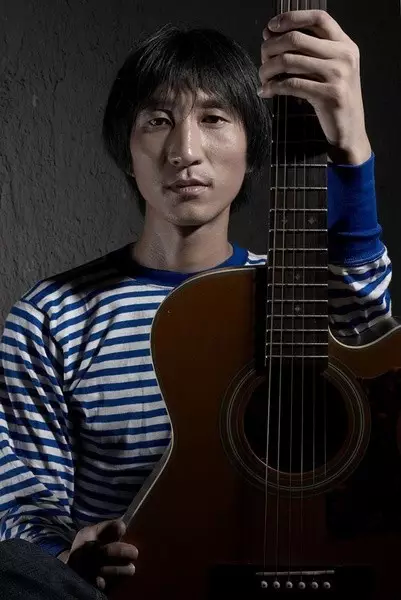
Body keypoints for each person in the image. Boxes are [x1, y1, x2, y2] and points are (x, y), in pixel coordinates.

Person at [0, 8, 393, 600]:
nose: (185, 150)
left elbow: (375, 342)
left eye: (214, 118)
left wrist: (351, 145)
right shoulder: (51, 316)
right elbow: (22, 504)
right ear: (126, 150)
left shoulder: (298, 295)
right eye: (158, 120)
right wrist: (68, 552)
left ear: (255, 148)